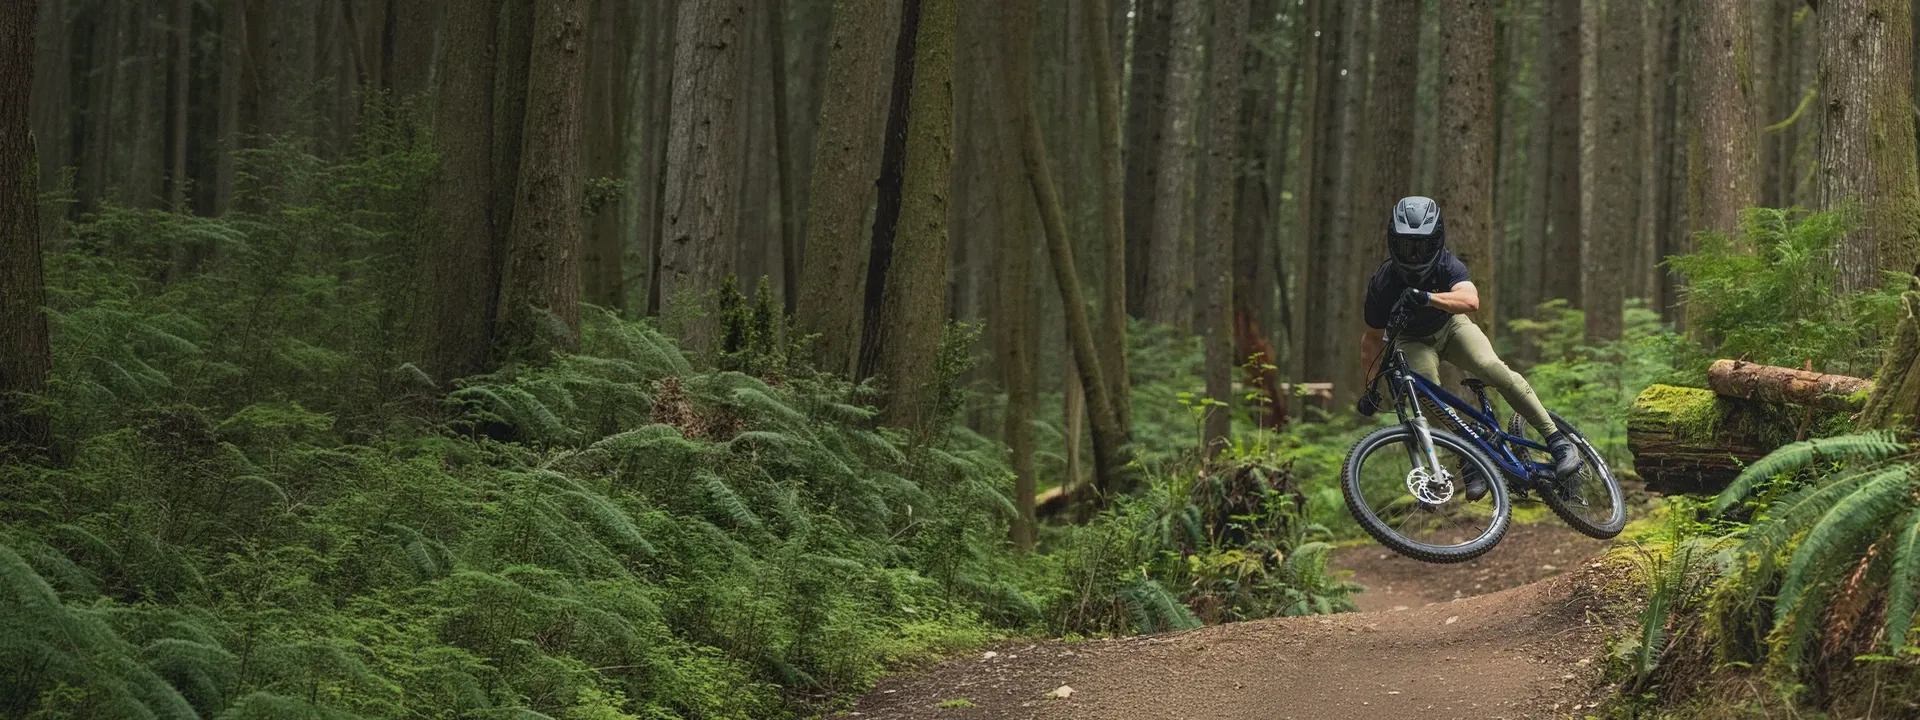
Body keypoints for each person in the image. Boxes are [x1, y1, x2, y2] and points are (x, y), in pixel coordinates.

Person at [1356, 196, 1582, 500]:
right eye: (1406, 246)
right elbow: (1371, 339)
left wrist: (1428, 298)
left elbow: (1471, 301)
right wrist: (1371, 389)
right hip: (1412, 340)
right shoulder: (1382, 283)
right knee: (1426, 393)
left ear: (1436, 241)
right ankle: (1470, 457)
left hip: (1452, 326)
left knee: (1493, 369)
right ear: (1392, 243)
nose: (1413, 255)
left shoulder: (1448, 263)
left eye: (1421, 246)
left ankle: (1558, 441)